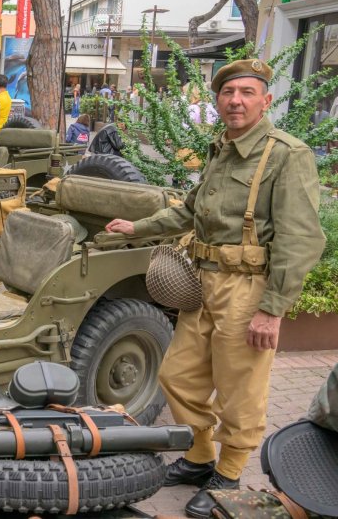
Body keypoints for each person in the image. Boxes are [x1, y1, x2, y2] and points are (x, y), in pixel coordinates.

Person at [104, 59, 326, 518]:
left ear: (265, 100)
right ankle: (201, 456)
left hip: (248, 290)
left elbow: (301, 238)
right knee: (177, 378)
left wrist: (272, 309)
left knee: (239, 389)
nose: (236, 100)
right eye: (228, 93)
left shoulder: (286, 154)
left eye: (247, 92)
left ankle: (229, 473)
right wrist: (137, 226)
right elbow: (188, 211)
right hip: (202, 283)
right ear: (218, 101)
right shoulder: (221, 148)